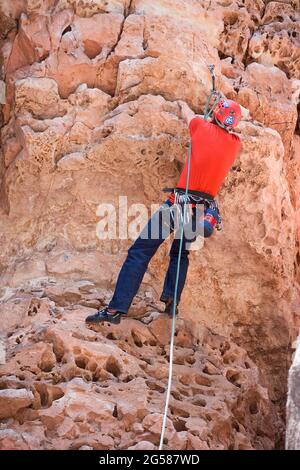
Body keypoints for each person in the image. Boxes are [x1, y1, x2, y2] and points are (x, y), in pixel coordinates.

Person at [86, 98, 242, 325]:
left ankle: (115, 310)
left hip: (177, 204)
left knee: (140, 252)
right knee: (180, 255)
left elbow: (188, 113)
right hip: (200, 209)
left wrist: (181, 103)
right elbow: (228, 128)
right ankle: (171, 301)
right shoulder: (235, 143)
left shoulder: (201, 127)